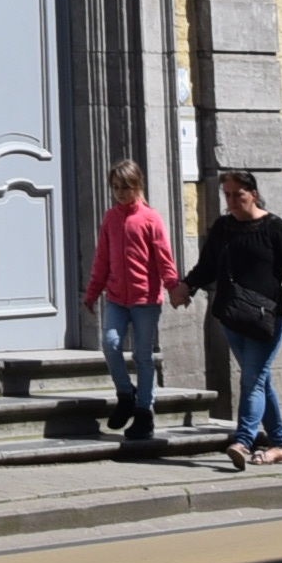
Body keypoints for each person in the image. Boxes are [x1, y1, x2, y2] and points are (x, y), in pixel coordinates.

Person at [180, 166, 282, 467]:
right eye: (227, 195)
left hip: (265, 320)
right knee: (260, 381)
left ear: (253, 194)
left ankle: (243, 441)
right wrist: (187, 286)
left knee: (252, 380)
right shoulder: (223, 228)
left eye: (238, 194)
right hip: (232, 318)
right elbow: (207, 266)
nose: (232, 201)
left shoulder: (275, 228)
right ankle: (278, 445)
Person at [84, 157, 178, 453]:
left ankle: (144, 412)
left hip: (145, 299)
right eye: (115, 187)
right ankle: (126, 395)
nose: (121, 193)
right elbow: (102, 259)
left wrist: (173, 286)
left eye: (126, 187)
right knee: (110, 343)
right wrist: (92, 291)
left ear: (138, 186)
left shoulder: (150, 219)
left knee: (142, 356)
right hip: (116, 298)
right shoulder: (110, 219)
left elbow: (164, 257)